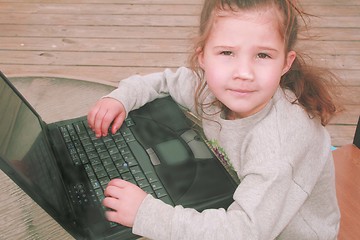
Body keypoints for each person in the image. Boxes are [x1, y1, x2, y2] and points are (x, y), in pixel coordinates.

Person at [87, 0, 343, 239]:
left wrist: (147, 214)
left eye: (263, 55)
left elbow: (244, 231)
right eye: (227, 53)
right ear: (203, 57)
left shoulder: (277, 146)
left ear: (286, 63)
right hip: (239, 197)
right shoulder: (209, 88)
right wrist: (121, 98)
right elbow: (164, 82)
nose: (243, 73)